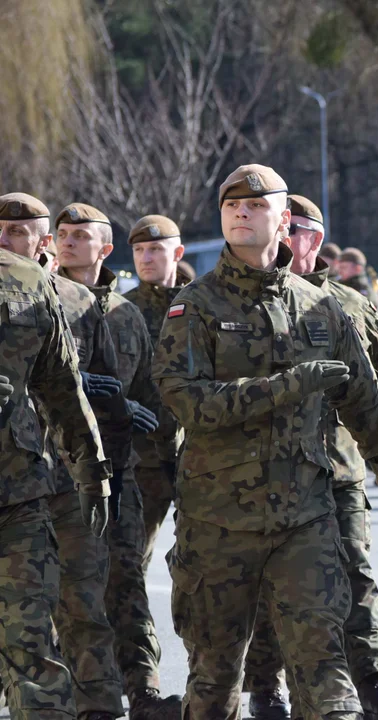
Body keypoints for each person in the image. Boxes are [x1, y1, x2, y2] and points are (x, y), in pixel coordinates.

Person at [152, 164, 378, 718]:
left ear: (285, 220)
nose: (241, 212)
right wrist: (287, 386)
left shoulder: (321, 304)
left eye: (254, 204)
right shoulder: (194, 305)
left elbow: (363, 394)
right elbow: (189, 404)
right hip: (217, 522)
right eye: (230, 206)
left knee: (324, 667)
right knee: (215, 677)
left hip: (305, 518)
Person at [241, 194, 378, 720]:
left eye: (296, 228)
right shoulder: (250, 300)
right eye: (281, 225)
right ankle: (265, 686)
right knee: (270, 586)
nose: (284, 236)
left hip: (341, 469)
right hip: (270, 472)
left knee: (356, 576)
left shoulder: (348, 302)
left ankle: (371, 682)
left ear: (315, 240)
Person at [55, 203, 180, 719]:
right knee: (64, 589)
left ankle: (143, 688)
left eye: (80, 236)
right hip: (56, 474)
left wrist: (165, 449)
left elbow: (155, 394)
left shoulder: (127, 317)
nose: (67, 243)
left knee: (126, 578)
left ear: (104, 249)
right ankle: (68, 690)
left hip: (120, 472)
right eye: (61, 235)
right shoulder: (45, 303)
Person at [0, 194, 116, 720]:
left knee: (31, 645)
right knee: (30, 652)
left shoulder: (36, 288)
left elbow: (64, 392)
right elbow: (65, 392)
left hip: (22, 494)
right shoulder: (35, 285)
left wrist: (94, 476)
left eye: (17, 231)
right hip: (24, 486)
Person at [123, 215, 189, 580]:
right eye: (138, 250)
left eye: (155, 249)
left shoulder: (202, 304)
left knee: (205, 566)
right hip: (143, 458)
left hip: (198, 457)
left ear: (177, 252)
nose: (145, 258)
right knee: (129, 563)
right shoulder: (120, 310)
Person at [338, 247, 378, 315]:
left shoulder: (365, 292)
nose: (340, 271)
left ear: (358, 268)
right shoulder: (339, 285)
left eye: (344, 267)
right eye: (340, 268)